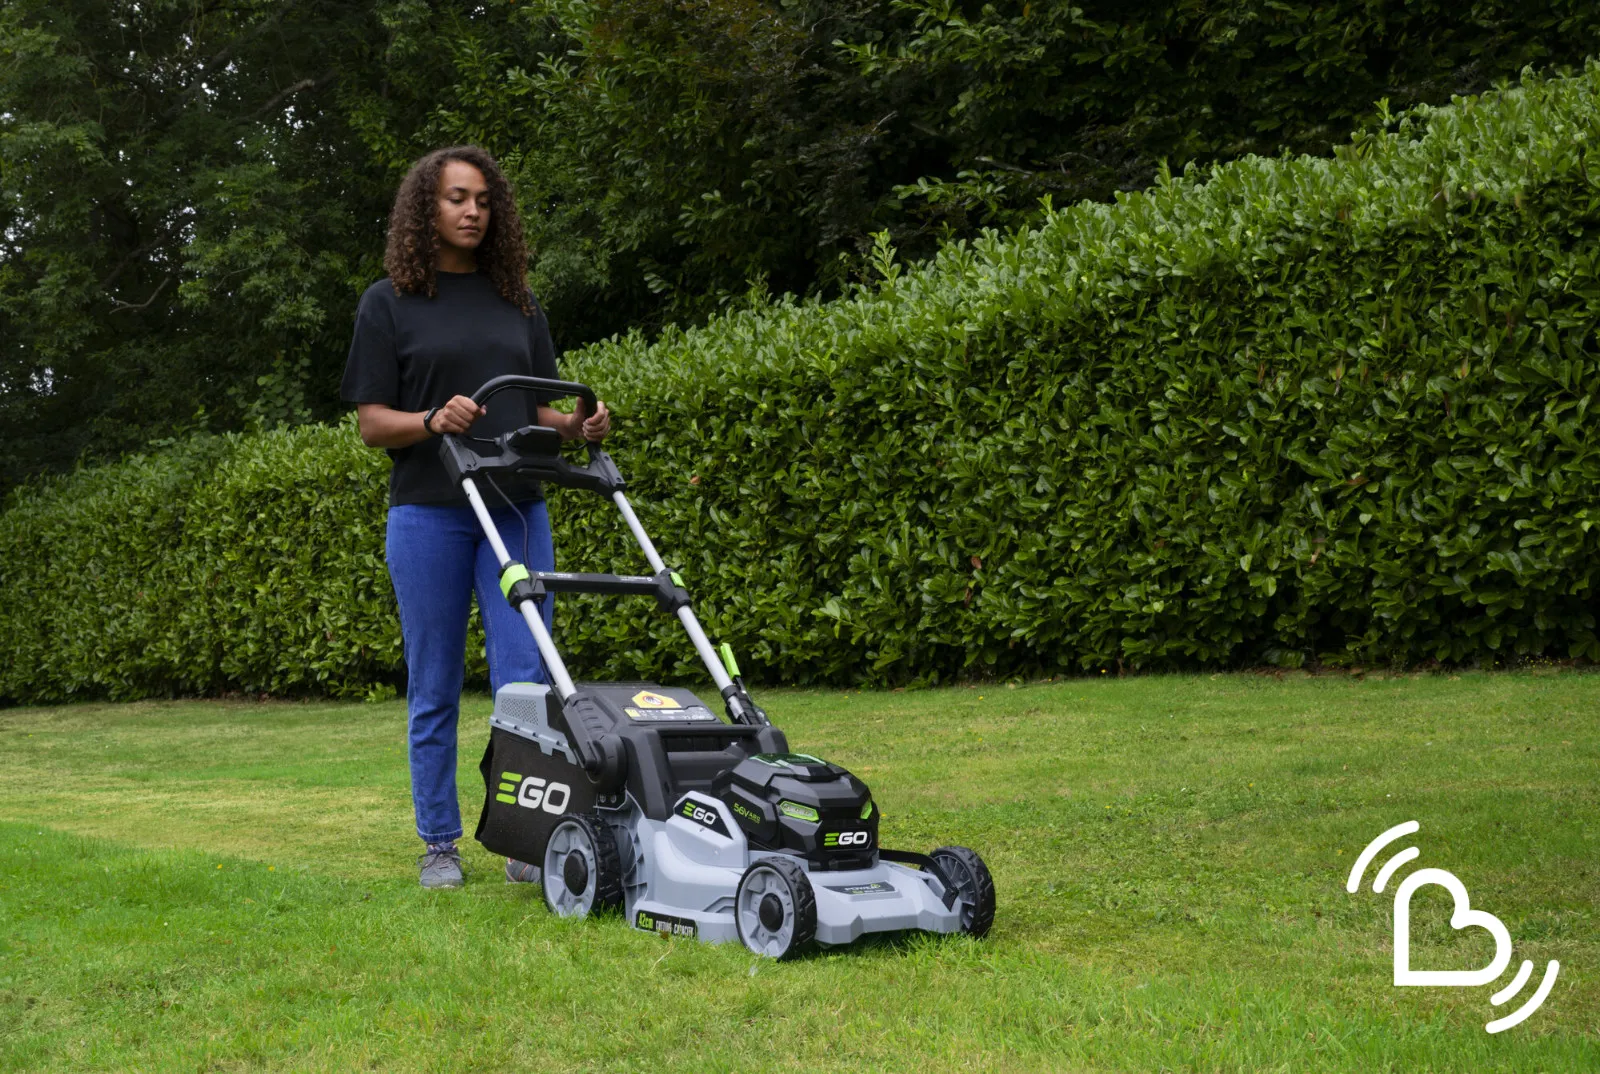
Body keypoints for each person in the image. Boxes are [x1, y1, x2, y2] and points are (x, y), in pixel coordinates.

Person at [340, 145, 610, 889]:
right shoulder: (387, 303)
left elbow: (539, 404)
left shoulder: (517, 301)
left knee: (526, 683)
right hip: (429, 513)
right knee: (435, 683)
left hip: (517, 506)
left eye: (484, 201)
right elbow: (372, 424)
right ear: (425, 208)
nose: (472, 212)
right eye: (457, 198)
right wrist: (433, 419)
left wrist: (576, 425)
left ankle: (525, 838)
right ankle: (439, 842)